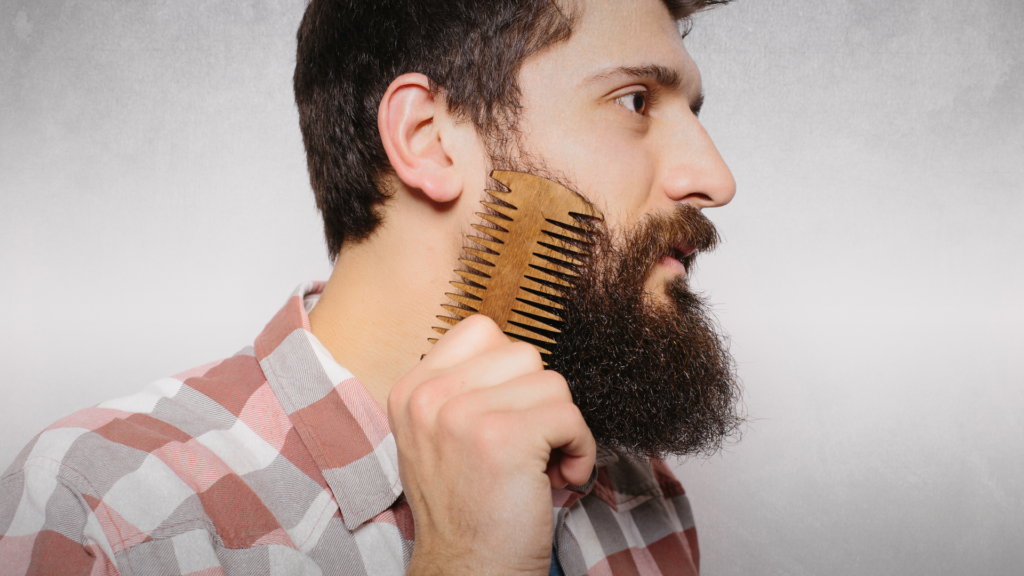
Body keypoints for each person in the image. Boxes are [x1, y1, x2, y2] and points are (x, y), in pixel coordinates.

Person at [0, 0, 744, 574]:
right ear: (427, 138)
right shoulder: (108, 511)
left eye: (694, 113)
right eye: (636, 101)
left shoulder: (642, 494)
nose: (715, 179)